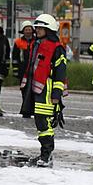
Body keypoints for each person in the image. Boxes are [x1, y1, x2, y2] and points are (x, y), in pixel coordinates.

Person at [20, 14, 68, 167]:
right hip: (36, 89)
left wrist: (56, 96)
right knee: (39, 122)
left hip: (48, 90)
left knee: (44, 121)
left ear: (49, 29)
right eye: (37, 27)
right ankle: (44, 154)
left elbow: (60, 73)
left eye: (41, 28)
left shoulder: (57, 48)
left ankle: (47, 155)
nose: (37, 30)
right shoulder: (37, 44)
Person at [11, 20, 35, 118]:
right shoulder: (18, 42)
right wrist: (16, 71)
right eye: (26, 29)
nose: (28, 31)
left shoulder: (36, 41)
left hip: (34, 71)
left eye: (29, 29)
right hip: (22, 71)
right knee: (24, 91)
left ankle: (32, 110)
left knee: (34, 91)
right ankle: (26, 110)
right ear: (23, 31)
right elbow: (15, 58)